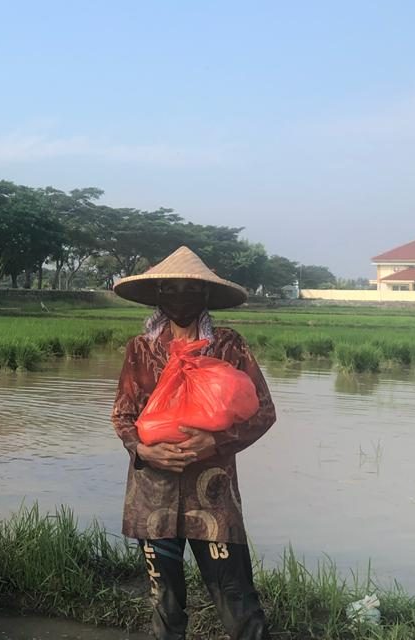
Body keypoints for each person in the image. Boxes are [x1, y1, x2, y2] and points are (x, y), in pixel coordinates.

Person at [110, 246, 277, 640]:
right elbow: (122, 415)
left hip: (212, 497)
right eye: (171, 289)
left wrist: (215, 441)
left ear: (205, 296)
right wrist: (144, 450)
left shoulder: (228, 346)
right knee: (165, 602)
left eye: (190, 290)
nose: (180, 297)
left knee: (235, 596)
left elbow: (264, 412)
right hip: (153, 496)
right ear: (158, 295)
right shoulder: (141, 348)